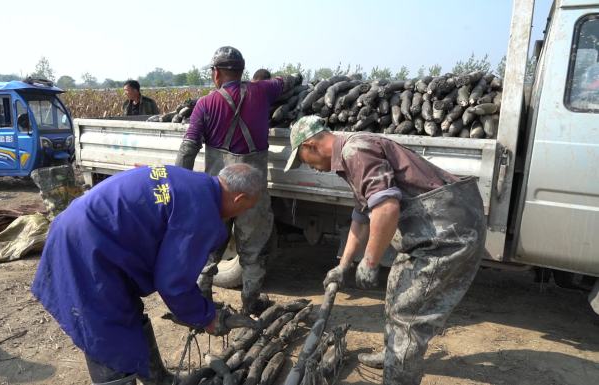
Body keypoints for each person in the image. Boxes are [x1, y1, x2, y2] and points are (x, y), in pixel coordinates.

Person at [284, 116, 486, 385]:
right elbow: (361, 216)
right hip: (427, 231)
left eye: (304, 161)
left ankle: (398, 376)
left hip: (447, 233)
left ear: (310, 146)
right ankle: (393, 353)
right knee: (396, 290)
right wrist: (343, 266)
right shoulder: (350, 155)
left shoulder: (354, 151)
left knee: (408, 315)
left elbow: (386, 208)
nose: (310, 168)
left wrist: (370, 261)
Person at [32, 163, 264, 385]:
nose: (244, 212)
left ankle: (158, 379)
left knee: (127, 314)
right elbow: (173, 283)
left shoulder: (197, 184)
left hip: (83, 229)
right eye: (248, 207)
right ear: (239, 198)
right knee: (108, 332)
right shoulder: (201, 211)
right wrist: (206, 317)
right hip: (86, 248)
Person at [174, 46, 301, 315]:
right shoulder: (263, 90)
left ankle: (204, 299)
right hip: (252, 194)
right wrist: (296, 78)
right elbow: (288, 80)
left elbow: (187, 150)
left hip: (217, 194)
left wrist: (181, 190)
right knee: (253, 252)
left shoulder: (205, 104)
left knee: (209, 249)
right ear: (242, 70)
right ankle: (250, 305)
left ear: (216, 73)